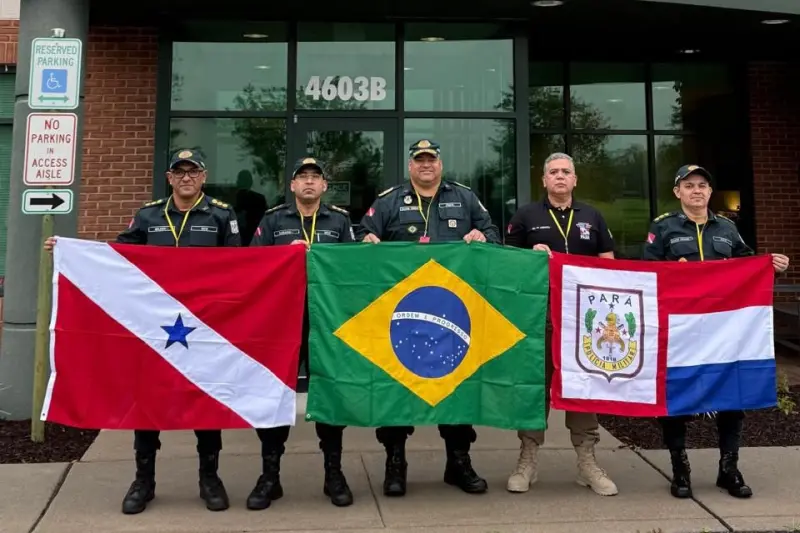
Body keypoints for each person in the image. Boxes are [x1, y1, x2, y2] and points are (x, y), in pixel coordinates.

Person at [44, 149, 241, 514]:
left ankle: (209, 478)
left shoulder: (221, 214)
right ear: (169, 178)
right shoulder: (149, 214)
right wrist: (71, 250)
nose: (185, 177)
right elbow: (118, 254)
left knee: (207, 401)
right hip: (155, 328)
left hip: (202, 327)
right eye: (178, 171)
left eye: (192, 171)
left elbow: (238, 267)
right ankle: (143, 481)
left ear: (203, 176)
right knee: (148, 402)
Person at [356, 139, 501, 497]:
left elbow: (494, 236)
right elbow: (360, 234)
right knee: (397, 385)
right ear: (410, 166)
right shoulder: (389, 200)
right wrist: (369, 241)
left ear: (440, 164)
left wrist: (480, 235)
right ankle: (395, 462)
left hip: (452, 314)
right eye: (419, 160)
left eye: (431, 160)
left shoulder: (465, 198)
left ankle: (458, 461)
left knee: (455, 384)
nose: (425, 165)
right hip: (401, 314)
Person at [643, 163, 789, 500]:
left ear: (710, 192)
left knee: (732, 396)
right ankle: (680, 471)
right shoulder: (663, 228)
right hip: (681, 330)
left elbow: (748, 265)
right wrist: (670, 271)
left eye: (703, 186)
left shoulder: (726, 227)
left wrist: (771, 266)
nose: (697, 191)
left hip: (725, 331)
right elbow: (646, 272)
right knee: (675, 398)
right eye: (689, 185)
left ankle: (729, 469)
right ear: (678, 192)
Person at [504, 152, 618, 497]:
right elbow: (506, 264)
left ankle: (587, 463)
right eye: (552, 171)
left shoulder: (592, 216)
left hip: (582, 322)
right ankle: (527, 460)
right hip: (540, 318)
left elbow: (608, 262)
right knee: (536, 388)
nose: (559, 177)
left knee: (583, 387)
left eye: (565, 172)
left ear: (575, 179)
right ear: (543, 180)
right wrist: (529, 257)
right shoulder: (526, 215)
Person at [247, 156, 355, 510]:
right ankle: (269, 475)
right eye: (302, 177)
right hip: (283, 319)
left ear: (325, 186)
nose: (309, 182)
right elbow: (252, 265)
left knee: (328, 388)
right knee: (275, 390)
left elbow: (353, 268)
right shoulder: (273, 220)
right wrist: (285, 257)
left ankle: (333, 473)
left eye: (315, 177)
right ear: (292, 185)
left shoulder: (339, 221)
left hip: (326, 319)